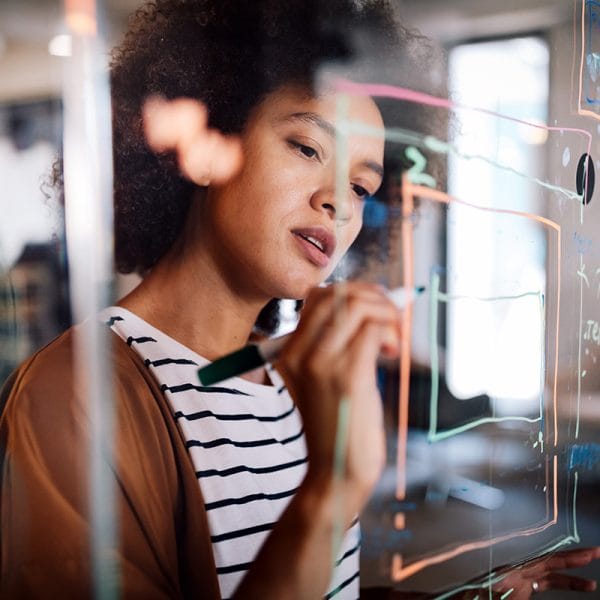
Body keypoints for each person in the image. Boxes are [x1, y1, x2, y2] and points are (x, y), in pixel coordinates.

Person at [0, 1, 598, 598]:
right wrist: (330, 491)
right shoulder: (73, 393)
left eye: (363, 187)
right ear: (207, 145)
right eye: (308, 149)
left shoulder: (292, 380)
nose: (339, 201)